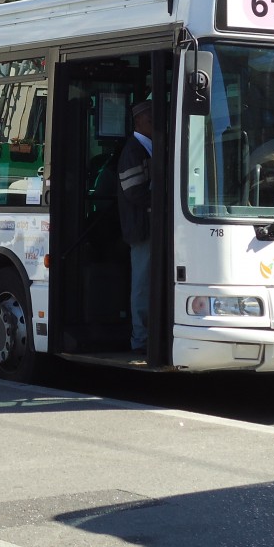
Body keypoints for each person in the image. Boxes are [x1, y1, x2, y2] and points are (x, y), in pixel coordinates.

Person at [117, 99, 152, 355]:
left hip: (150, 228)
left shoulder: (148, 147)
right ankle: (140, 340)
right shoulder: (133, 150)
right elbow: (134, 192)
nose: (155, 122)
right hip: (141, 230)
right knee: (141, 286)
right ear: (138, 121)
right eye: (150, 117)